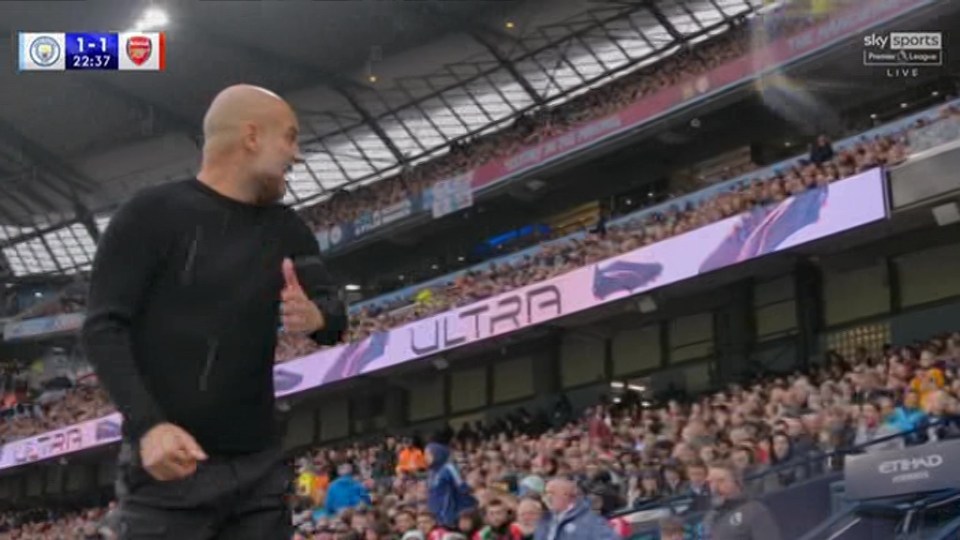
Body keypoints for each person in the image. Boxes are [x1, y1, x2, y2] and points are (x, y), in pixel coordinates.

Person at [81, 84, 347, 539]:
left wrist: (316, 317)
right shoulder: (150, 214)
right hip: (170, 470)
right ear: (251, 136)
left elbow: (333, 314)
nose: (296, 154)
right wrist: (149, 427)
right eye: (289, 137)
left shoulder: (288, 229)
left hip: (259, 469)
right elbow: (104, 327)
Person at [702, 463, 782, 540]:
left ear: (737, 482)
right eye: (710, 482)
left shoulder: (754, 510)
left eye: (721, 481)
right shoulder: (709, 518)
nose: (714, 488)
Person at [534, 477, 617, 540]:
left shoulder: (589, 521)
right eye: (546, 493)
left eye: (551, 493)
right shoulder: (544, 521)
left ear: (566, 495)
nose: (547, 498)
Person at [426, 442, 478, 529]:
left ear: (437, 454)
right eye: (425, 454)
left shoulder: (448, 468)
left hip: (448, 513)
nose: (426, 457)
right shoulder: (431, 472)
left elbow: (461, 486)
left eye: (429, 454)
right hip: (435, 513)